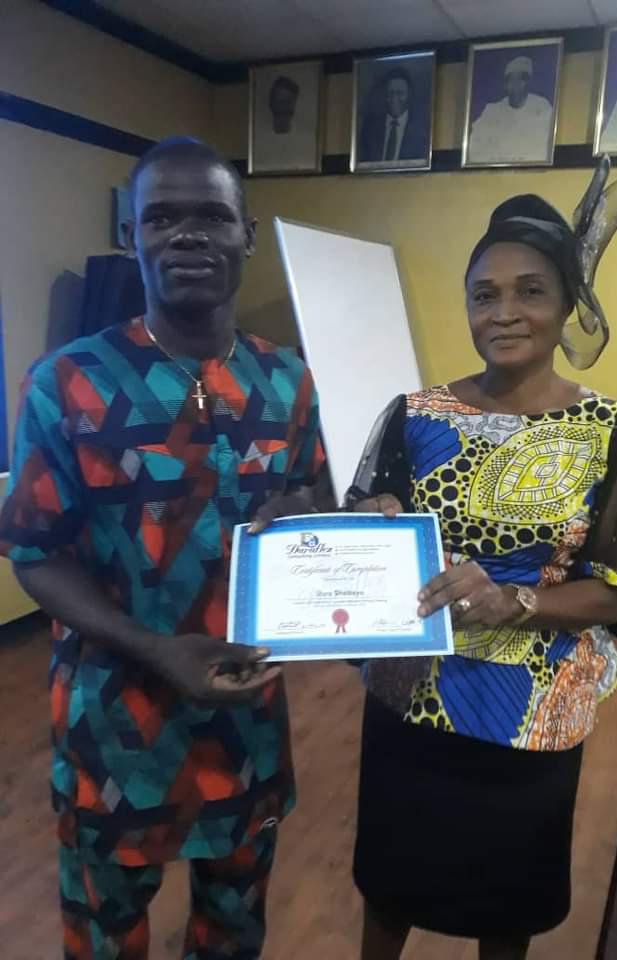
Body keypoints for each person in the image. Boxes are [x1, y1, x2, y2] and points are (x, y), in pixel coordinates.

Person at [345, 162, 617, 960]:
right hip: (411, 694)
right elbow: (368, 527)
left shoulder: (613, 430)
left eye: (530, 291)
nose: (504, 312)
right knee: (390, 881)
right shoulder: (413, 416)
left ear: (567, 303)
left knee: (507, 901)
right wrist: (369, 527)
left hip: (532, 711)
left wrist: (517, 602)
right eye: (484, 294)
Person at [0, 137, 325, 960]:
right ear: (130, 235)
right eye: (162, 218)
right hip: (115, 728)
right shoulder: (66, 382)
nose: (188, 236)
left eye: (212, 216)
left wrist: (306, 513)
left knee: (233, 935)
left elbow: (309, 498)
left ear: (248, 235)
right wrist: (154, 648)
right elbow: (34, 553)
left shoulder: (287, 381)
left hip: (246, 720)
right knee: (104, 940)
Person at [468, 55, 554, 164]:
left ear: (526, 83)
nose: (513, 86)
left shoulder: (542, 107)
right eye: (510, 80)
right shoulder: (492, 111)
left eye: (519, 80)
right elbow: (475, 148)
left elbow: (544, 149)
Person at [357, 67, 429, 164]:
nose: (394, 98)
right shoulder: (370, 128)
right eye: (391, 93)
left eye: (400, 93)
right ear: (385, 95)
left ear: (409, 95)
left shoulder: (422, 129)